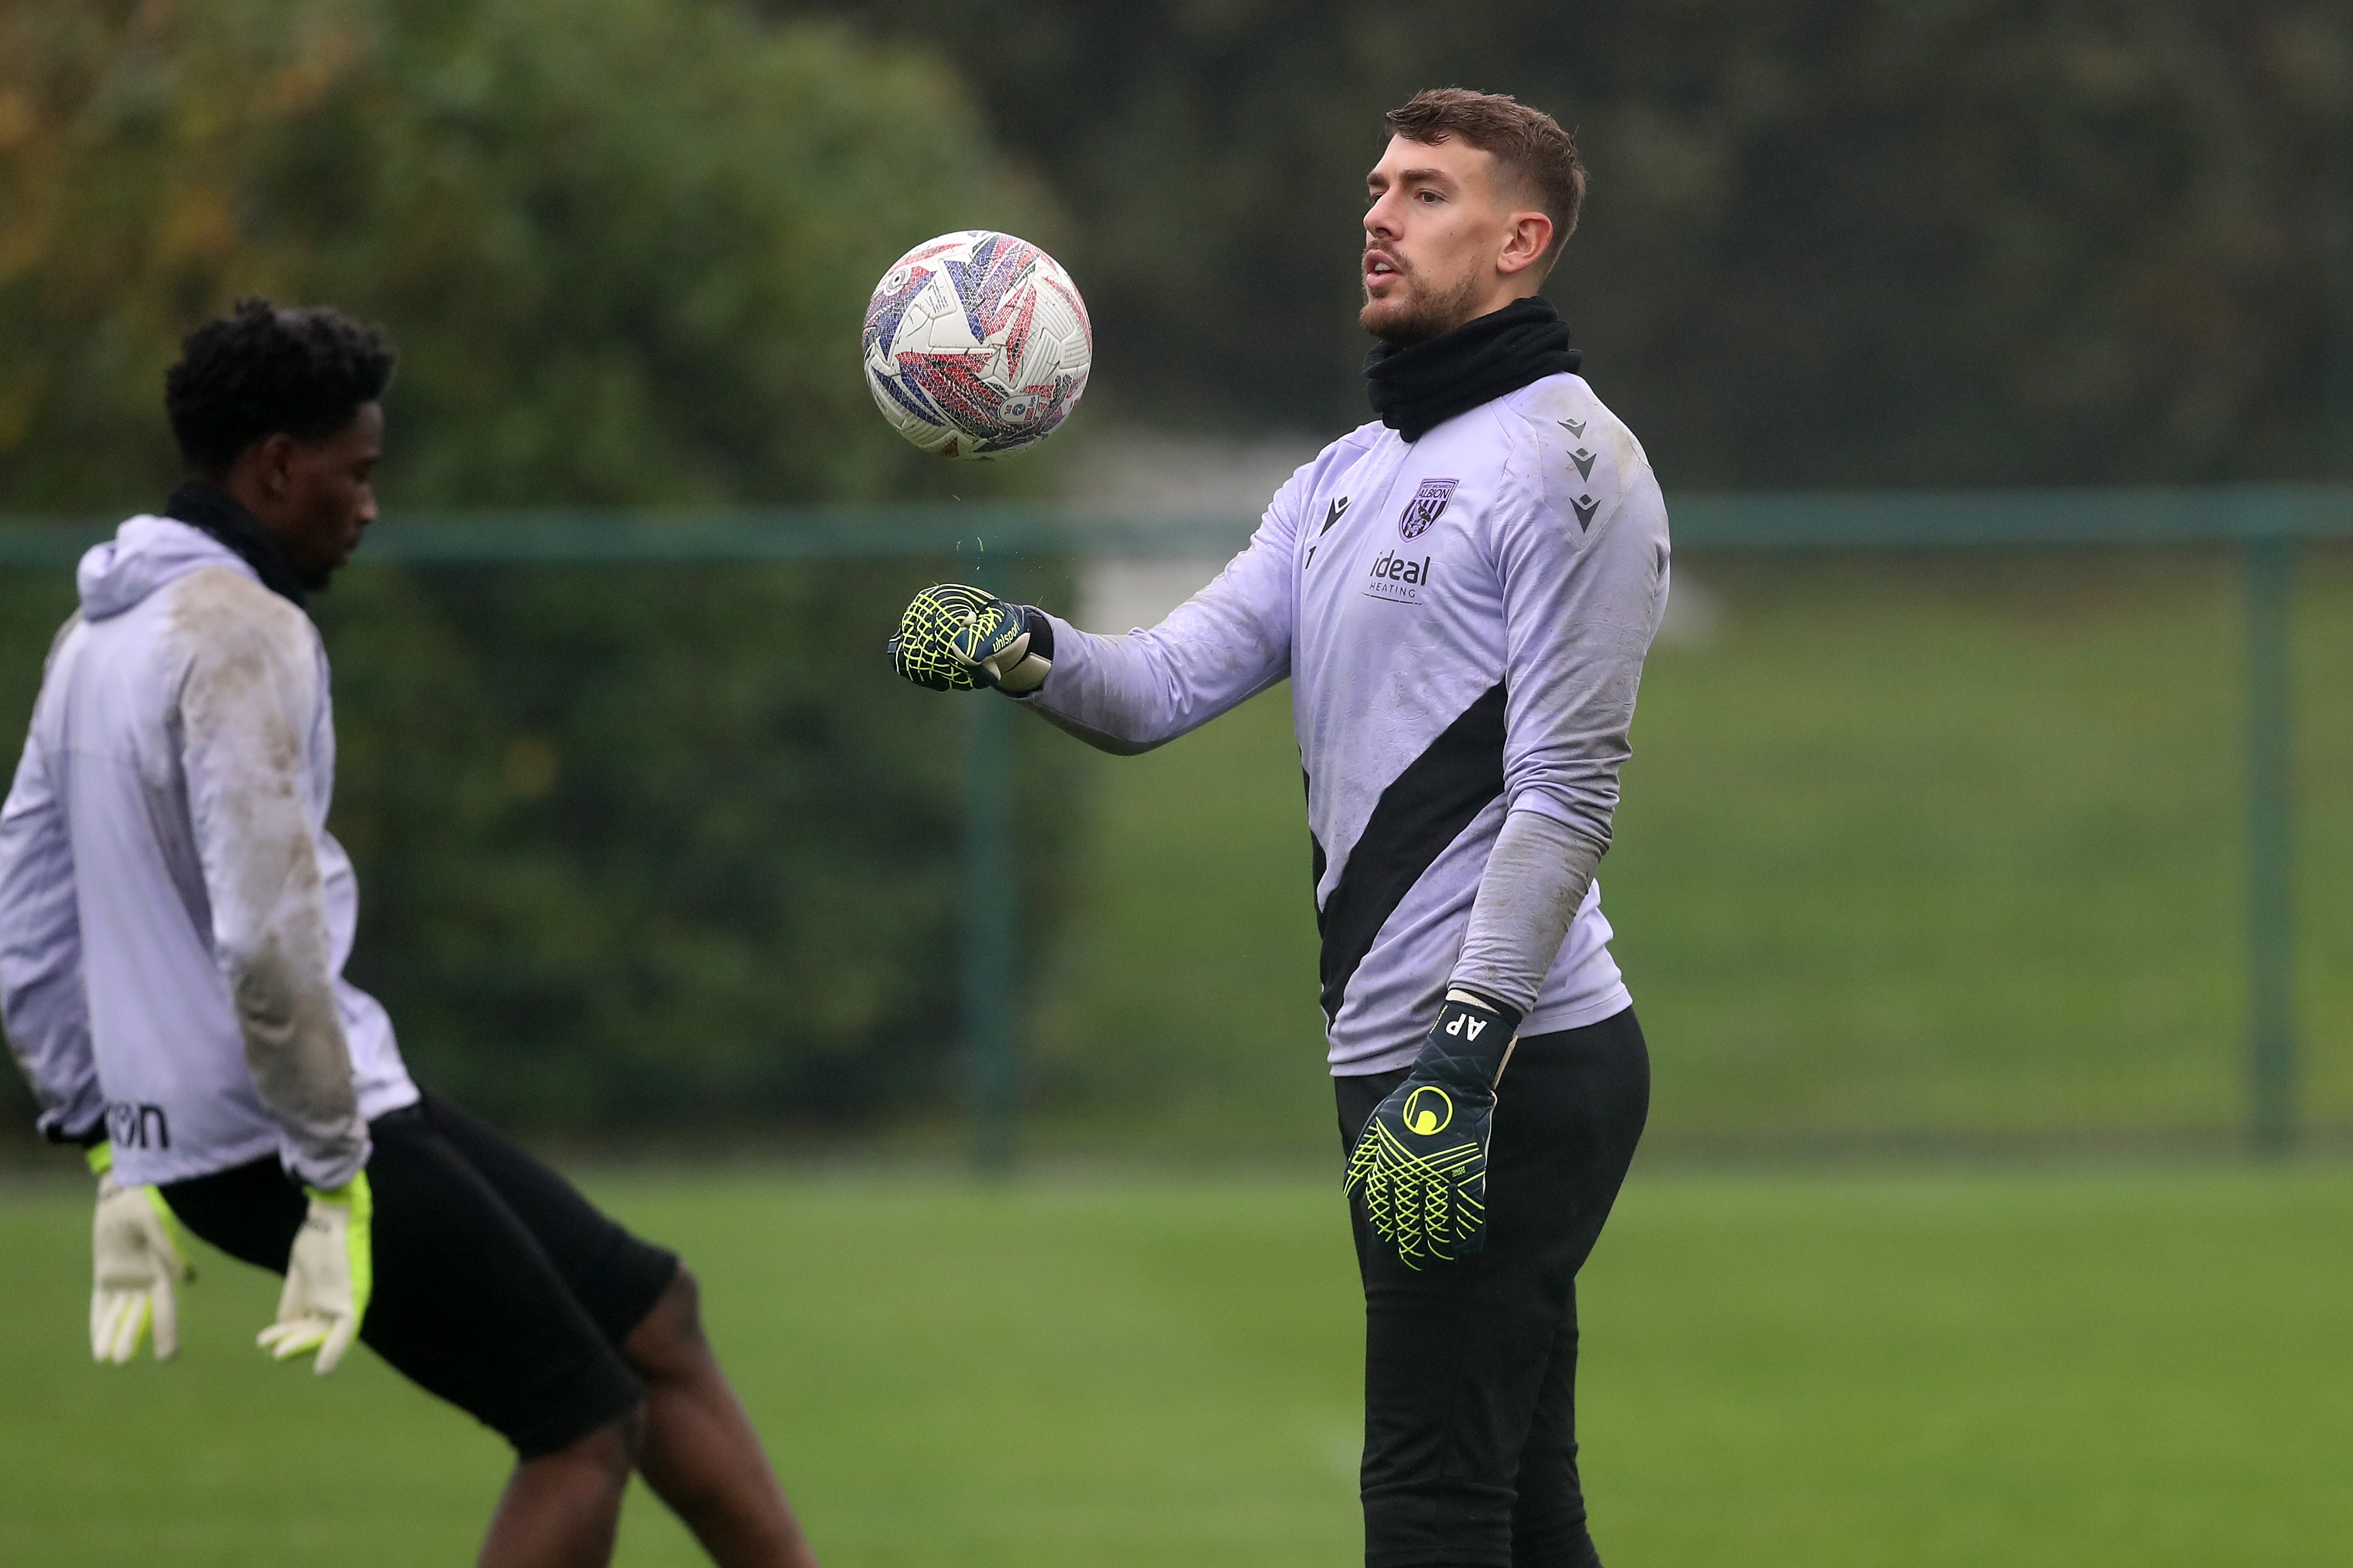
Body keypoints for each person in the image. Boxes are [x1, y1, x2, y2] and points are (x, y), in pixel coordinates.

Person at [889, 89, 1667, 1567]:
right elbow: (1158, 686)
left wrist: (1460, 1055)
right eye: (1376, 186)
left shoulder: (1576, 463)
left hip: (1510, 1061)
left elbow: (1567, 793)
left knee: (1430, 1493)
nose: (1378, 214)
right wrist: (1016, 642)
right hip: (1405, 1059)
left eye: (1425, 192)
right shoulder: (1341, 475)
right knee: (1516, 1491)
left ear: (1522, 240)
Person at [0, 298, 822, 1568]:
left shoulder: (91, 639)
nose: (370, 506)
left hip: (253, 1124)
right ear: (278, 466)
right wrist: (332, 1177)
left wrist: (109, 1140)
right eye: (358, 471)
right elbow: (270, 946)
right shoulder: (242, 636)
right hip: (298, 1127)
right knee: (580, 1424)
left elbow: (29, 915)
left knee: (652, 1315)